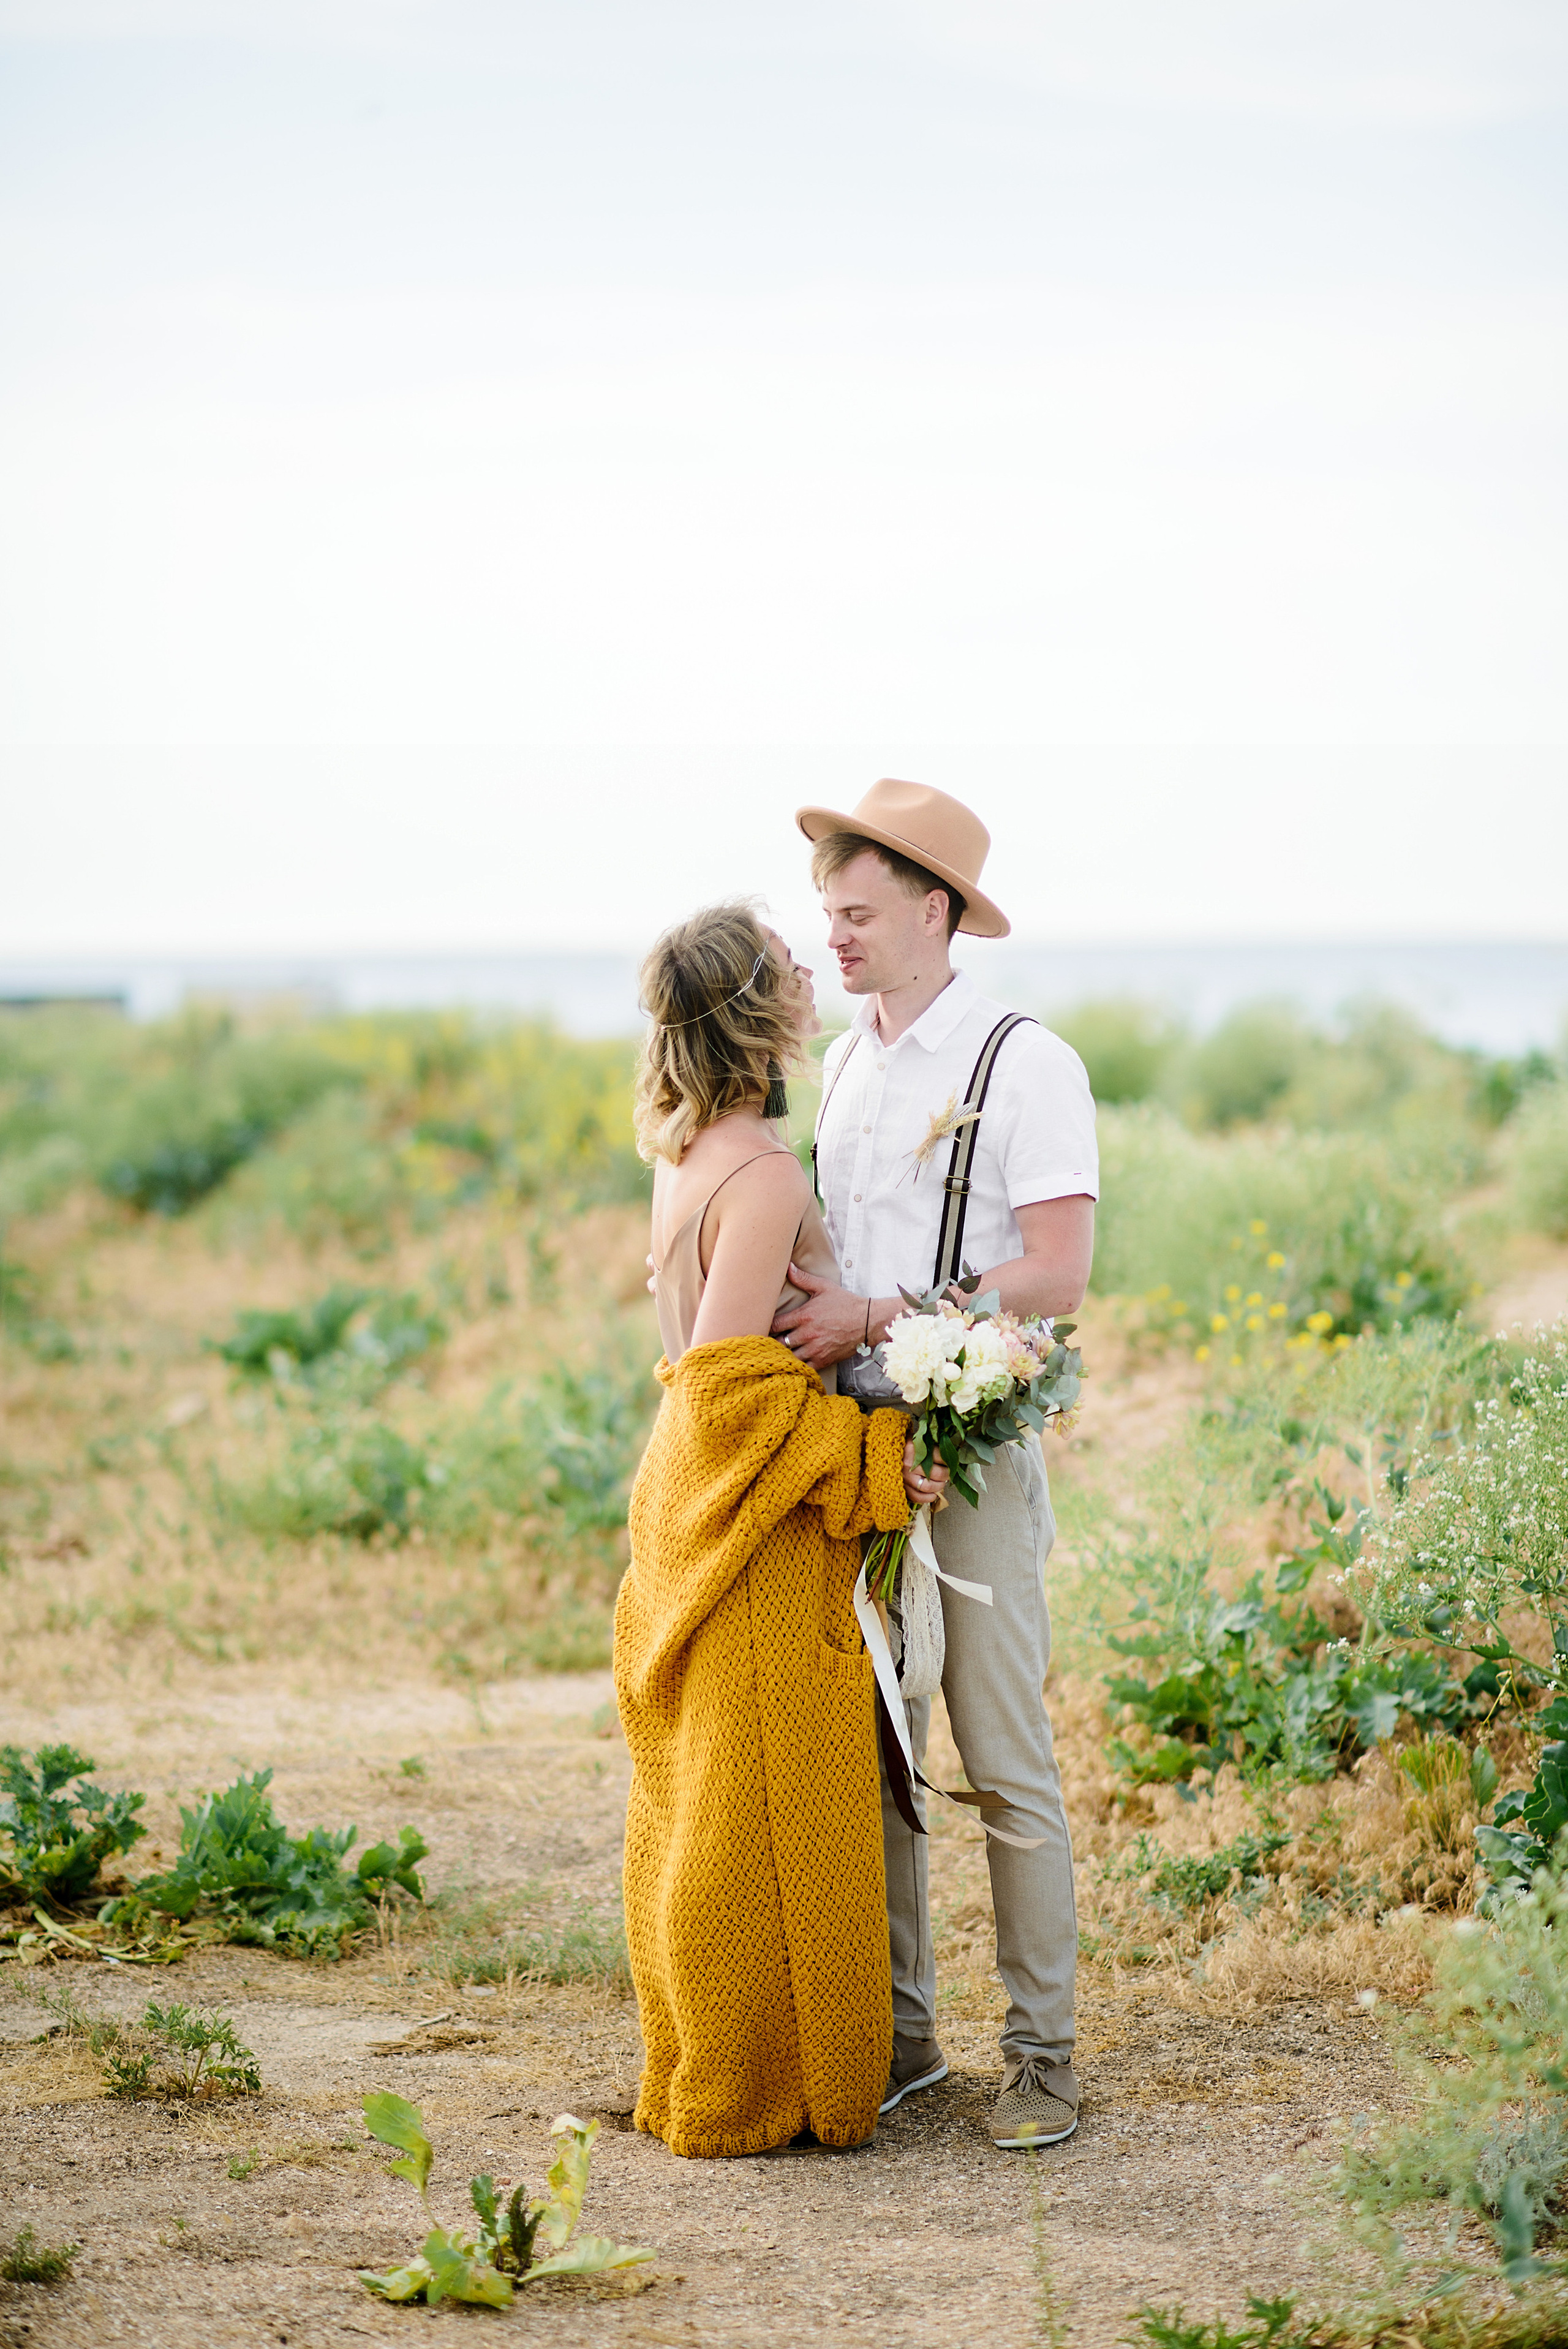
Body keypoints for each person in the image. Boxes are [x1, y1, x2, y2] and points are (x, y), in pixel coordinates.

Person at [772, 779, 1098, 2152]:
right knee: (878, 1758)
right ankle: (903, 2040)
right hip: (850, 1454)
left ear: (932, 907)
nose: (833, 936)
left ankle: (1043, 2060)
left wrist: (882, 1316)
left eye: (854, 912)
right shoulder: (843, 1061)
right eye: (824, 914)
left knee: (1000, 1754)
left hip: (967, 1450)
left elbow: (1058, 1273)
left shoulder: (1024, 1061)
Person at [615, 897, 941, 2159]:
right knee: (755, 1819)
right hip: (751, 1536)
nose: (812, 964)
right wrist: (871, 1457)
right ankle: (762, 2085)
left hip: (697, 1517)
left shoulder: (687, 1154)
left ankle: (723, 2064)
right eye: (786, 958)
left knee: (709, 1809)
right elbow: (727, 1393)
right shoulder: (755, 1174)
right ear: (760, 1010)